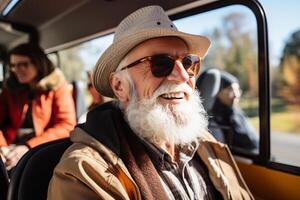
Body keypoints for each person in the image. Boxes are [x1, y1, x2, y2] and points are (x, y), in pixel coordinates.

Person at [48, 6, 254, 200]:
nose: (183, 76)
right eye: (160, 64)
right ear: (120, 86)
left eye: (188, 63)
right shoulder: (84, 172)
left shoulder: (206, 143)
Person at [0, 43, 76, 171]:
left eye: (23, 64)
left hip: (41, 148)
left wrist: (28, 147)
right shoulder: (9, 90)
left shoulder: (57, 87)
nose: (17, 69)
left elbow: (66, 125)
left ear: (38, 63)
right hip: (9, 148)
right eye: (13, 65)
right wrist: (2, 148)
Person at [197, 68, 259, 152]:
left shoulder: (234, 112)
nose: (236, 95)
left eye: (237, 89)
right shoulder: (213, 122)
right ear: (216, 92)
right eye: (230, 89)